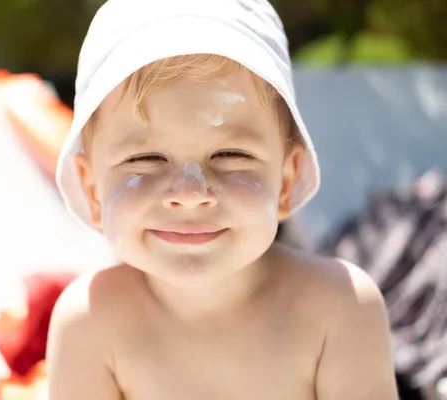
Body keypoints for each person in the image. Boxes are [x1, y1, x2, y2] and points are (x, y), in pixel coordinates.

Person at [46, 0, 399, 399]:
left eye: (231, 156)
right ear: (92, 189)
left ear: (286, 180)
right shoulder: (91, 323)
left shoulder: (340, 309)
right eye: (146, 159)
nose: (191, 195)